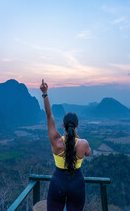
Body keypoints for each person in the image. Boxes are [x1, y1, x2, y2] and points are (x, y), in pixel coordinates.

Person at [40, 79, 91, 211]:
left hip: (58, 183)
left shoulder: (56, 141)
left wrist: (45, 93)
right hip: (77, 184)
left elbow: (49, 115)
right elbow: (88, 152)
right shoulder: (83, 144)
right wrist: (75, 134)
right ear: (77, 126)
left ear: (62, 125)